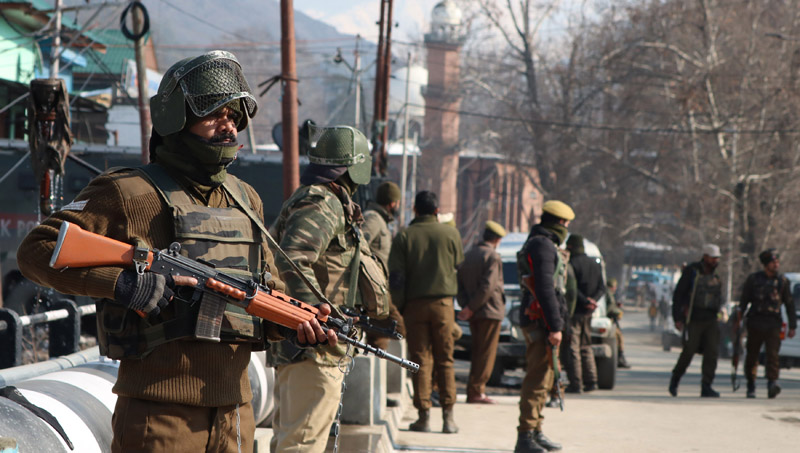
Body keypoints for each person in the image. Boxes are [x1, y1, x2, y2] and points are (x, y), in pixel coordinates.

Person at [16, 51, 335, 453]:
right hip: (160, 414)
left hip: (235, 414)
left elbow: (264, 292)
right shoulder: (129, 192)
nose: (227, 125)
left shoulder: (245, 199)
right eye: (213, 114)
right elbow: (38, 250)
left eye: (233, 115)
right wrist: (122, 284)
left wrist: (293, 325)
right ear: (175, 120)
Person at [268, 125, 382, 453]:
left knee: (293, 441)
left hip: (311, 348)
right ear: (355, 165)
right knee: (301, 445)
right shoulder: (323, 202)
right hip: (313, 349)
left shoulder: (325, 200)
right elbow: (292, 259)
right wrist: (318, 320)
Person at [389, 190, 464, 434]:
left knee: (420, 361)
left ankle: (423, 417)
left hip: (414, 307)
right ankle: (449, 418)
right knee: (446, 360)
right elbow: (458, 266)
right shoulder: (451, 234)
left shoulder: (404, 236)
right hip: (444, 306)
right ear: (436, 211)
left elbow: (396, 279)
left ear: (415, 210)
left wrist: (399, 308)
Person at [514, 200, 573, 453]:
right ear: (559, 222)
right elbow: (546, 289)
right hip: (540, 320)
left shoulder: (541, 243)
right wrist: (555, 326)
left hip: (542, 319)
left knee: (546, 378)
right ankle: (525, 436)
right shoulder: (543, 245)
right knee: (537, 379)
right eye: (566, 223)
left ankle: (536, 430)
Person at [457, 220, 507, 404]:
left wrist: (466, 307)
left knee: (477, 351)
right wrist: (471, 307)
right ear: (497, 239)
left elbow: (459, 284)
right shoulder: (493, 256)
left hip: (474, 312)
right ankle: (477, 391)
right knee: (486, 353)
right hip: (489, 311)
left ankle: (474, 389)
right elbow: (488, 286)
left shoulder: (468, 255)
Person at [737, 249, 797, 398]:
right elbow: (744, 300)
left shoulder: (782, 281)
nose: (776, 265)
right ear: (766, 264)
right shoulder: (754, 279)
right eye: (773, 262)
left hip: (773, 324)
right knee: (752, 356)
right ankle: (751, 385)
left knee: (773, 356)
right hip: (755, 323)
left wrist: (792, 326)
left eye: (777, 262)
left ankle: (772, 383)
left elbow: (789, 304)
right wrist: (738, 318)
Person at [668, 244, 723, 398]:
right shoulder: (692, 272)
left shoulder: (716, 276)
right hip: (694, 319)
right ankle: (675, 379)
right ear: (705, 257)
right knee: (689, 351)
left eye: (717, 258)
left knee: (712, 353)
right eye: (713, 258)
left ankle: (706, 386)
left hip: (711, 320)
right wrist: (677, 318)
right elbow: (678, 295)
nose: (715, 261)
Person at [362, 181, 406, 350]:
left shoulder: (381, 220)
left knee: (378, 342)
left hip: (379, 286)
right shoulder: (373, 219)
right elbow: (358, 245)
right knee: (399, 328)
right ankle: (362, 324)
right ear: (392, 203)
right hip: (374, 287)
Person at [564, 234, 603, 393]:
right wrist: (593, 301)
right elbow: (602, 288)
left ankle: (576, 383)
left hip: (575, 312)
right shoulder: (595, 264)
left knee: (573, 348)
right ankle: (591, 381)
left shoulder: (571, 264)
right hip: (589, 312)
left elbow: (572, 289)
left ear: (571, 246)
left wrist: (584, 300)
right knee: (586, 346)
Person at [606, 278, 631, 369]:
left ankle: (620, 357)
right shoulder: (608, 294)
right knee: (618, 337)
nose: (615, 289)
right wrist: (618, 311)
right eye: (614, 287)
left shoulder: (609, 294)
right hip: (609, 320)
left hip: (611, 320)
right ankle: (619, 358)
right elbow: (609, 309)